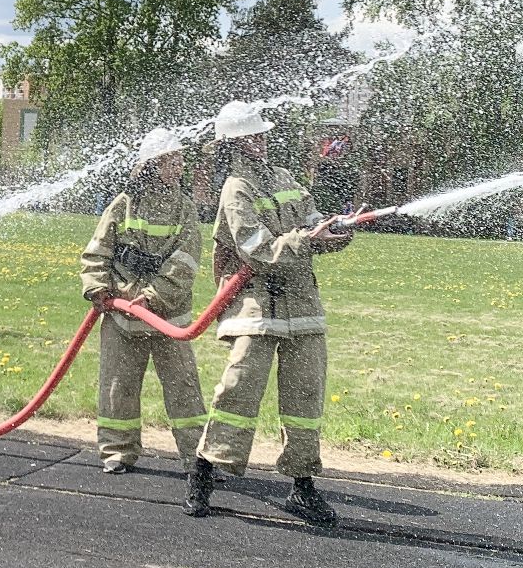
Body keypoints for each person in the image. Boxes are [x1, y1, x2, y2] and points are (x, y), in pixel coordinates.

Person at [185, 102, 355, 525]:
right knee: (238, 391)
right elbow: (256, 248)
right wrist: (307, 239)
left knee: (305, 399)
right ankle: (205, 470)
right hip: (258, 308)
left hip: (303, 306)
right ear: (235, 143)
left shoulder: (284, 180)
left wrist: (335, 229)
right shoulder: (235, 188)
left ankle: (302, 485)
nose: (261, 140)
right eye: (252, 135)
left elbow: (313, 221)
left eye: (262, 134)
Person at [80, 131, 209, 474]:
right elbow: (97, 251)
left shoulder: (184, 208)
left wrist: (153, 297)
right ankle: (117, 451)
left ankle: (196, 458)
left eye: (180, 159)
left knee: (183, 386)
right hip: (121, 314)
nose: (178, 165)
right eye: (171, 159)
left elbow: (186, 262)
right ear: (152, 165)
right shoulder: (123, 204)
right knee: (117, 384)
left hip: (169, 316)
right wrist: (97, 288)